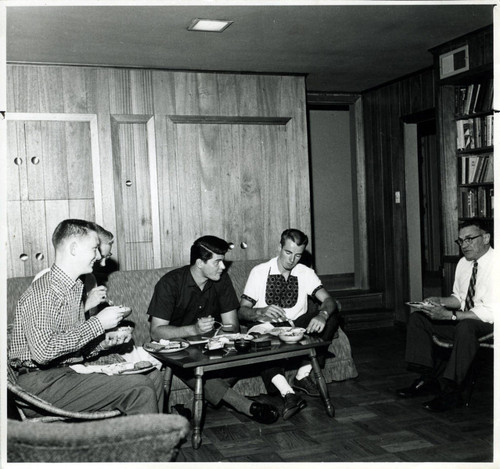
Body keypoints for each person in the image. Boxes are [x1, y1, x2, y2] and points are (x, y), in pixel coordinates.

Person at [9, 219, 164, 416]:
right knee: (140, 387)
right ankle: (136, 444)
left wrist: (105, 343)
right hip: (41, 386)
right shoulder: (45, 291)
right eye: (94, 249)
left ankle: (152, 442)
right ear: (74, 248)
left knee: (152, 376)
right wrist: (98, 323)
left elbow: (71, 346)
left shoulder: (73, 288)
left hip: (63, 374)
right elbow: (43, 352)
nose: (99, 256)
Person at [147, 235, 279, 424]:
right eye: (217, 262)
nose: (223, 267)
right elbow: (156, 331)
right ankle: (247, 407)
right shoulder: (170, 283)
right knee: (191, 366)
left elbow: (232, 325)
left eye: (223, 262)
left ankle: (193, 410)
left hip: (211, 345)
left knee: (250, 353)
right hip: (175, 349)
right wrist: (193, 329)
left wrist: (216, 335)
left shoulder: (221, 280)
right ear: (200, 263)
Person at [239, 228, 340, 419]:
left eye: (297, 255)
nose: (291, 259)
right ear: (279, 247)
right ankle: (289, 395)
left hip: (295, 326)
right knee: (261, 342)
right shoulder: (259, 272)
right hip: (265, 328)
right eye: (287, 252)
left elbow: (329, 301)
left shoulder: (305, 272)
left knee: (333, 315)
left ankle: (302, 375)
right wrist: (260, 311)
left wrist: (323, 315)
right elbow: (242, 311)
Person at [397, 218, 496, 412]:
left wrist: (451, 317)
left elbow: (492, 311)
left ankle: (452, 391)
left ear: (486, 238)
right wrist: (439, 301)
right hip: (464, 319)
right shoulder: (463, 263)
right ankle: (428, 378)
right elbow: (459, 298)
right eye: (460, 241)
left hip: (489, 322)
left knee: (465, 327)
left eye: (469, 239)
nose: (464, 245)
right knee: (419, 318)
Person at [32, 222, 115, 315]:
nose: (99, 258)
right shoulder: (44, 283)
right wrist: (87, 305)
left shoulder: (88, 280)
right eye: (94, 249)